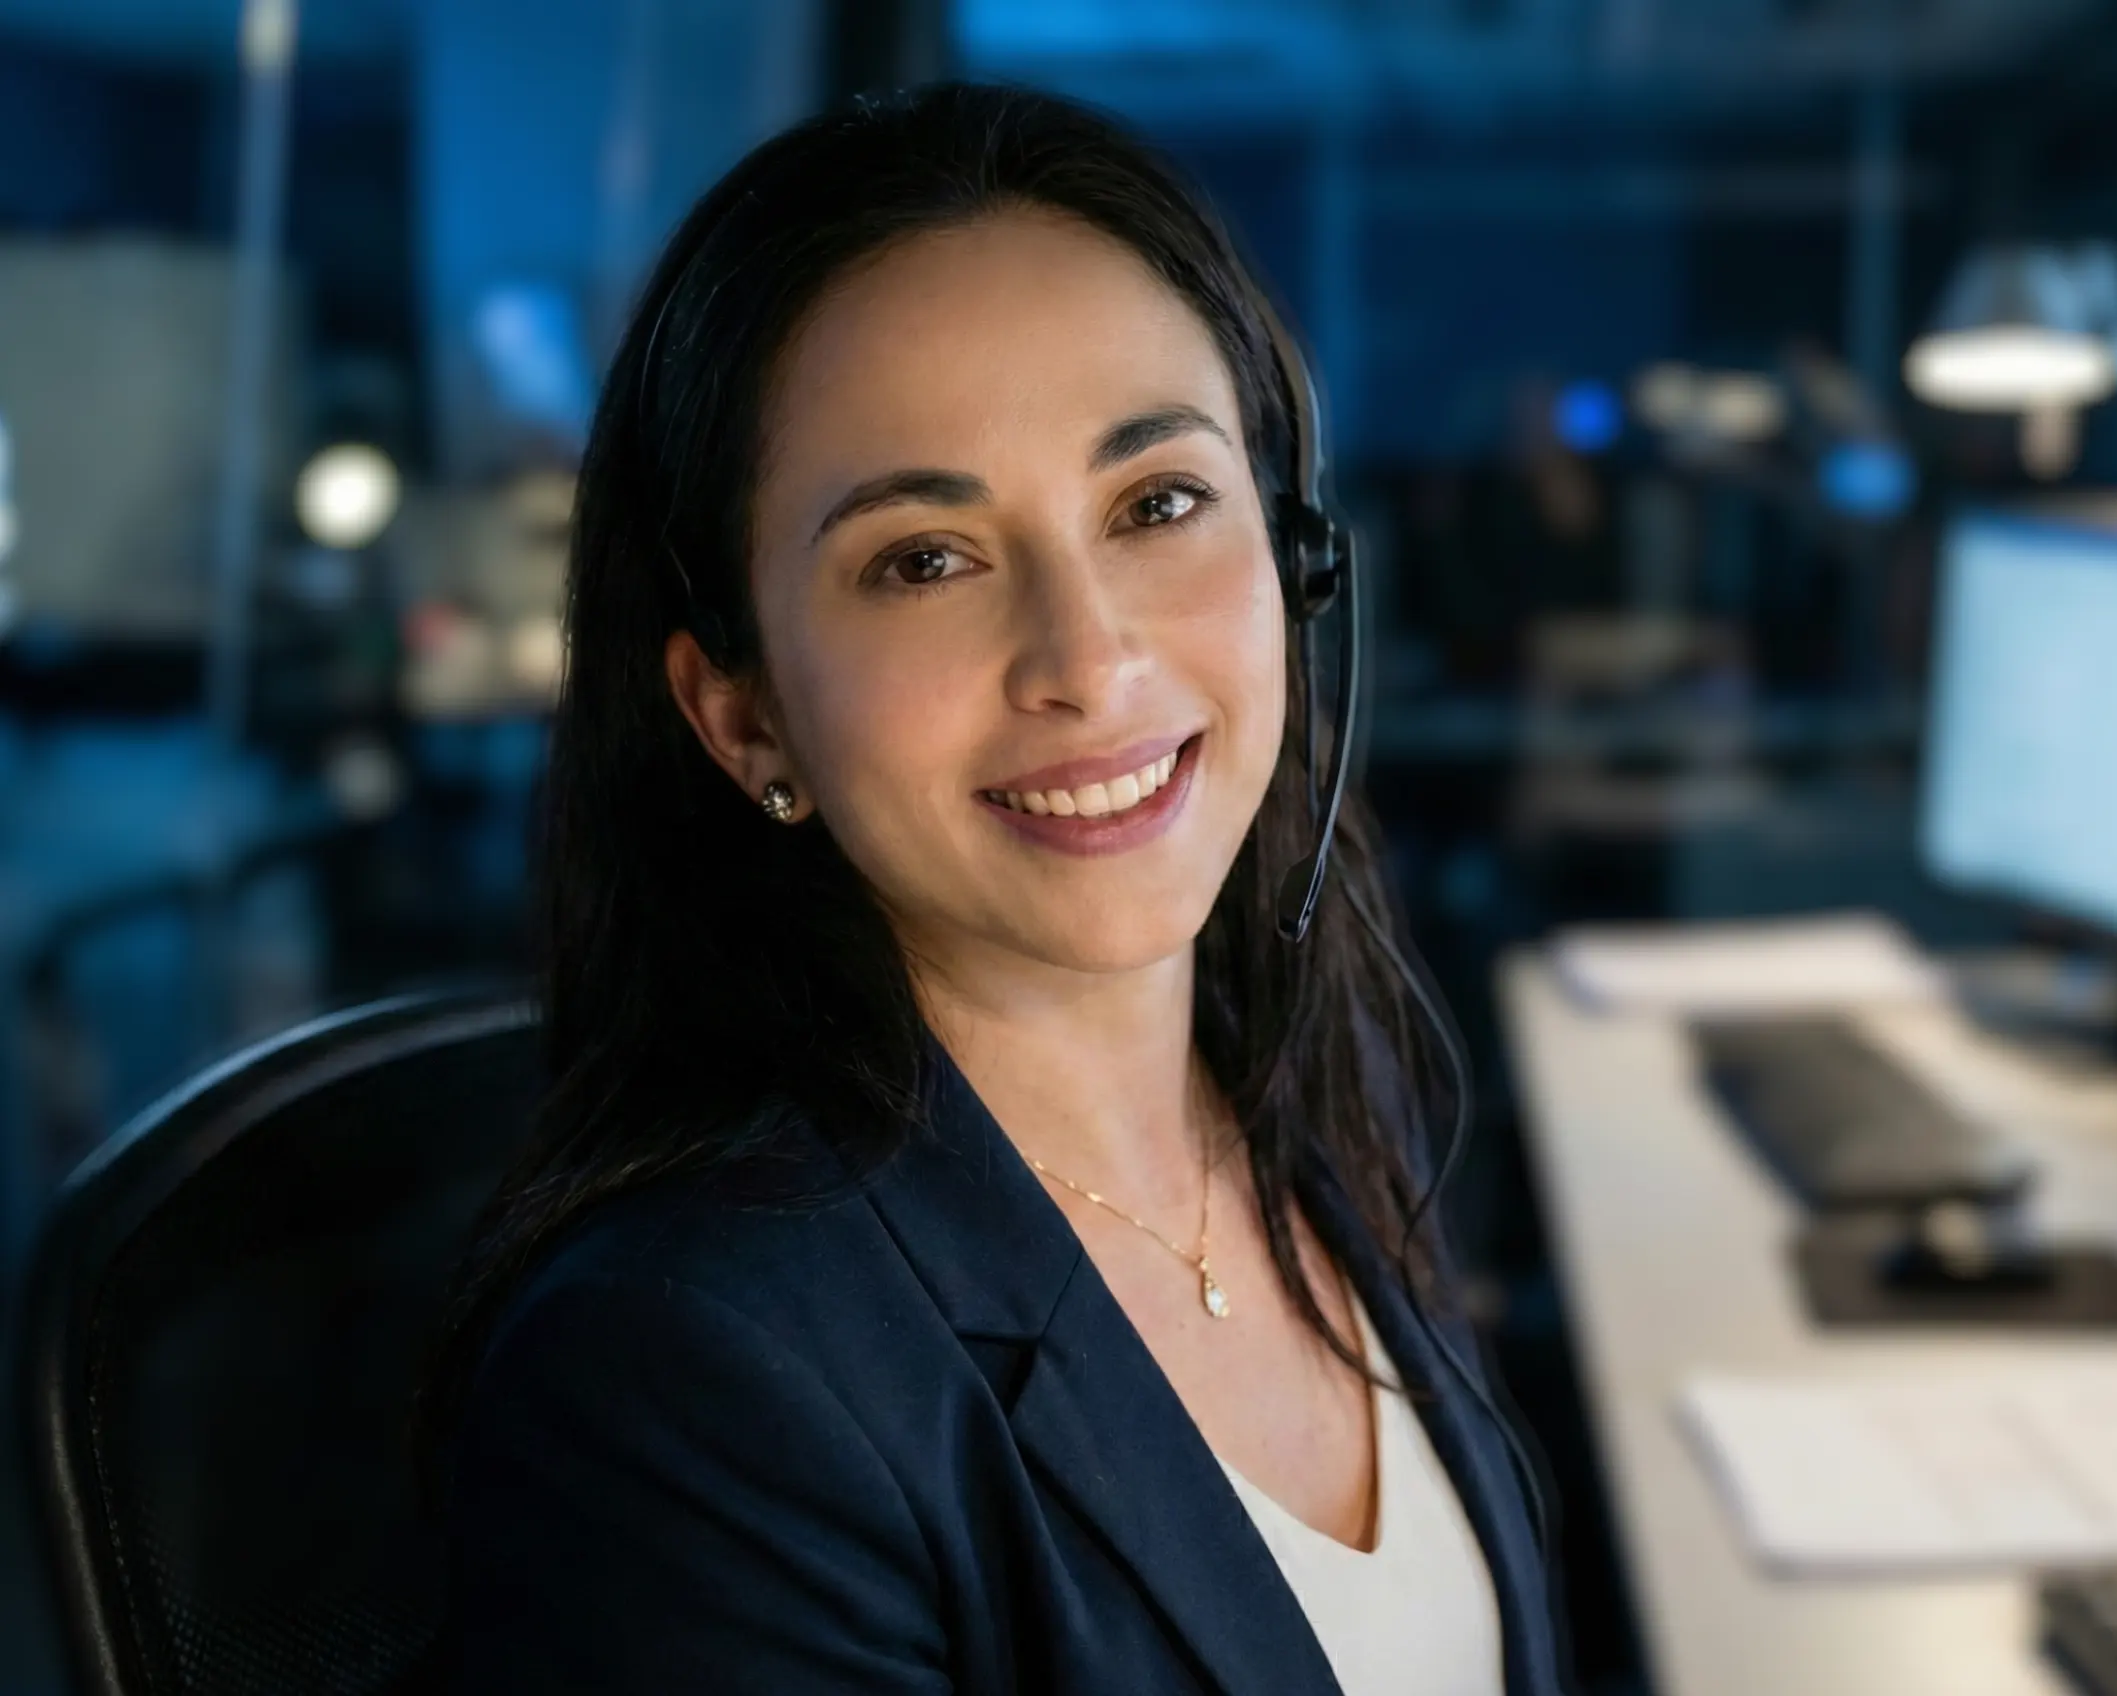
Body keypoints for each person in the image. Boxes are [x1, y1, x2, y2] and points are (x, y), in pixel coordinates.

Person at [426, 84, 1564, 1695]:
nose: (1089, 663)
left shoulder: (1307, 1094)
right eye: (924, 559)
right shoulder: (690, 1389)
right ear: (742, 712)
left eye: (1157, 504)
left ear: (1298, 560)